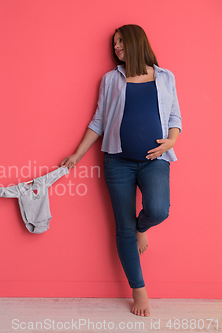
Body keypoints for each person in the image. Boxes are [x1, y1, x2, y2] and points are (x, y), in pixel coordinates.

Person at [61, 24, 181, 317]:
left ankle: (142, 227)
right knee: (123, 229)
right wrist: (78, 153)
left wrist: (172, 140)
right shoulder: (111, 79)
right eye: (114, 44)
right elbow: (99, 120)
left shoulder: (165, 76)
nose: (116, 48)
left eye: (121, 42)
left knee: (158, 210)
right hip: (118, 162)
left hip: (155, 159)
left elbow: (175, 113)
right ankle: (139, 291)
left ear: (136, 42)